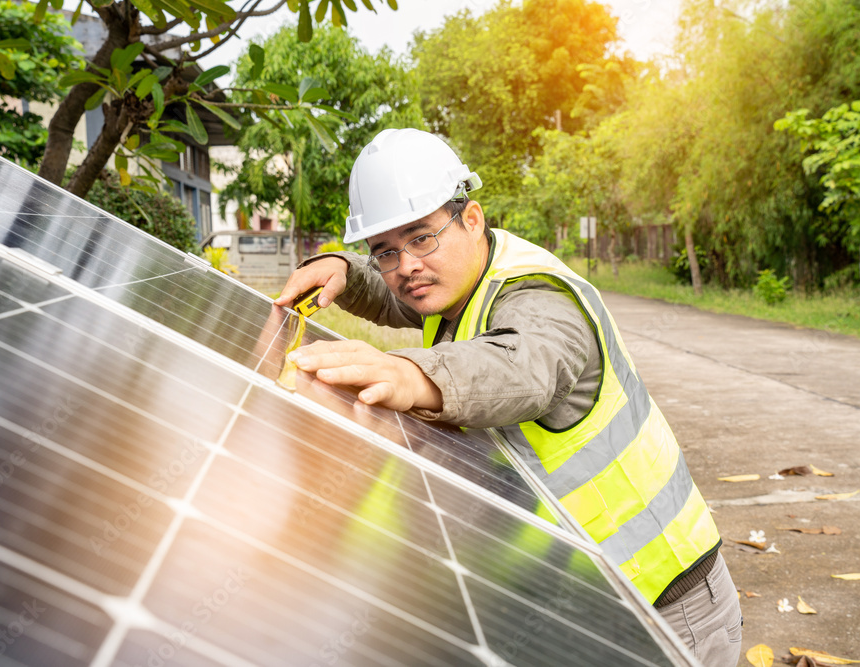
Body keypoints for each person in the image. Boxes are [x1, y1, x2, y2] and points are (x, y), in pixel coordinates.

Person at [274, 128, 742, 666]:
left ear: (471, 219)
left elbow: (524, 366)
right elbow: (400, 295)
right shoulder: (457, 284)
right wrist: (345, 270)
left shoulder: (539, 296)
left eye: (421, 237)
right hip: (586, 598)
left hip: (665, 598)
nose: (406, 266)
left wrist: (411, 374)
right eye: (384, 251)